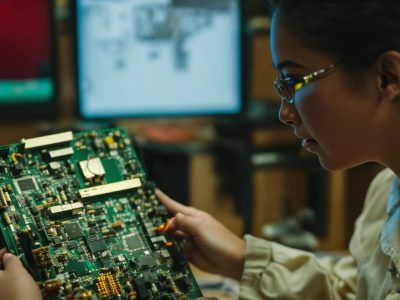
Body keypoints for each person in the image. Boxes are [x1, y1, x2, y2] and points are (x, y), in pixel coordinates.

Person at [156, 0, 400, 299]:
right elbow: (356, 291)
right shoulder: (386, 189)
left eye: (295, 81)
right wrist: (241, 259)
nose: (284, 112)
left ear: (388, 77)